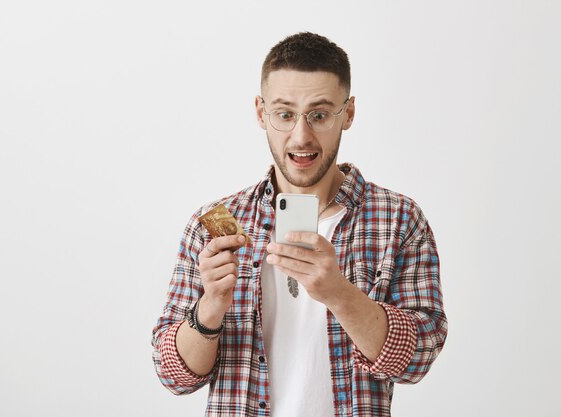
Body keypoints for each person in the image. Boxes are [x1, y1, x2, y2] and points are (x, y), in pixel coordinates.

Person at [152, 32, 447, 417]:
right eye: (285, 114)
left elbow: (418, 359)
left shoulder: (398, 219)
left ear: (349, 113)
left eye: (320, 115)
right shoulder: (216, 225)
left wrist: (340, 295)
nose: (302, 135)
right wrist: (210, 308)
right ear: (261, 113)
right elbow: (174, 376)